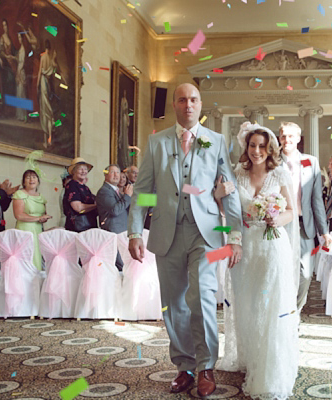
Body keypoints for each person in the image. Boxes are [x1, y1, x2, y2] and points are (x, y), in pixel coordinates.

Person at [127, 83, 242, 397]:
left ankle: (206, 366)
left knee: (202, 299)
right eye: (182, 99)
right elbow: (144, 191)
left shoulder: (217, 141)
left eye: (193, 99)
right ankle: (184, 367)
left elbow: (228, 189)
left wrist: (235, 235)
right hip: (167, 233)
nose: (188, 104)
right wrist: (135, 231)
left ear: (200, 104)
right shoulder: (157, 142)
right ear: (174, 105)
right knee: (173, 303)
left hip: (206, 234)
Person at [215, 122, 299, 399]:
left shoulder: (279, 173)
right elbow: (228, 213)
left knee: (268, 304)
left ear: (270, 148)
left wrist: (279, 218)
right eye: (252, 145)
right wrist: (217, 198)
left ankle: (268, 367)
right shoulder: (237, 174)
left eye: (262, 146)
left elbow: (291, 211)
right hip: (244, 247)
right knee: (247, 304)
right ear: (246, 147)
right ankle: (251, 357)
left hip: (272, 246)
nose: (257, 151)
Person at [277, 121, 332, 313]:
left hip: (304, 225)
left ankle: (295, 310)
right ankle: (284, 312)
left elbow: (317, 200)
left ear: (299, 139)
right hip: (280, 224)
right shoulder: (272, 162)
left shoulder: (312, 162)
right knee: (281, 269)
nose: (286, 140)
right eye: (283, 136)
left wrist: (324, 232)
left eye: (291, 136)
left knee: (306, 272)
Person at [12, 169, 52, 270]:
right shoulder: (19, 194)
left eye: (34, 177)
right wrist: (38, 218)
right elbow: (19, 215)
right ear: (23, 181)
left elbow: (43, 214)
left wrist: (44, 218)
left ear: (38, 181)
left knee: (38, 256)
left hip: (38, 229)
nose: (31, 180)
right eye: (28, 177)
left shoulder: (41, 197)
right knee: (27, 257)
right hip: (25, 229)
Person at [96, 164, 132, 270]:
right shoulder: (104, 191)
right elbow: (115, 210)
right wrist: (127, 196)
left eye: (118, 172)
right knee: (120, 265)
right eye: (112, 172)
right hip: (114, 231)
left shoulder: (116, 191)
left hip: (123, 231)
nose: (116, 175)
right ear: (105, 175)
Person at [63, 157, 98, 232]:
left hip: (88, 226)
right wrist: (96, 206)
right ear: (74, 171)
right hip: (77, 228)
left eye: (85, 169)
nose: (83, 171)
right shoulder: (72, 185)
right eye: (80, 169)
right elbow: (78, 208)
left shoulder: (85, 188)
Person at [37, 38, 57, 147]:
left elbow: (40, 71)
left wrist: (37, 85)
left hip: (44, 84)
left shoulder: (43, 57)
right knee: (48, 114)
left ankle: (46, 140)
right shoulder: (50, 58)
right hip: (48, 85)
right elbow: (54, 70)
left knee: (45, 111)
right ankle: (49, 139)